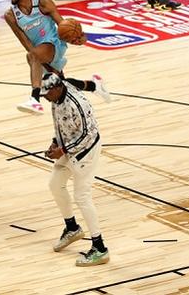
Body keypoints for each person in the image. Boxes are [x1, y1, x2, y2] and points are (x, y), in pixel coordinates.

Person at [4, 0, 111, 114]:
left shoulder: (42, 2)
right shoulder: (10, 15)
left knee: (32, 58)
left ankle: (34, 100)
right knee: (57, 88)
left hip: (55, 43)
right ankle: (93, 85)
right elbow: (25, 42)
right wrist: (44, 63)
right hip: (41, 52)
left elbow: (62, 24)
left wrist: (79, 36)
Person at [41, 72, 110, 267]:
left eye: (47, 94)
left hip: (86, 151)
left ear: (57, 88)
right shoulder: (55, 99)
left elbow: (89, 134)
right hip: (70, 147)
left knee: (82, 196)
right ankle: (72, 228)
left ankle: (100, 248)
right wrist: (55, 143)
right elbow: (59, 125)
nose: (45, 98)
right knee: (55, 185)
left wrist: (63, 149)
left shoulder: (77, 103)